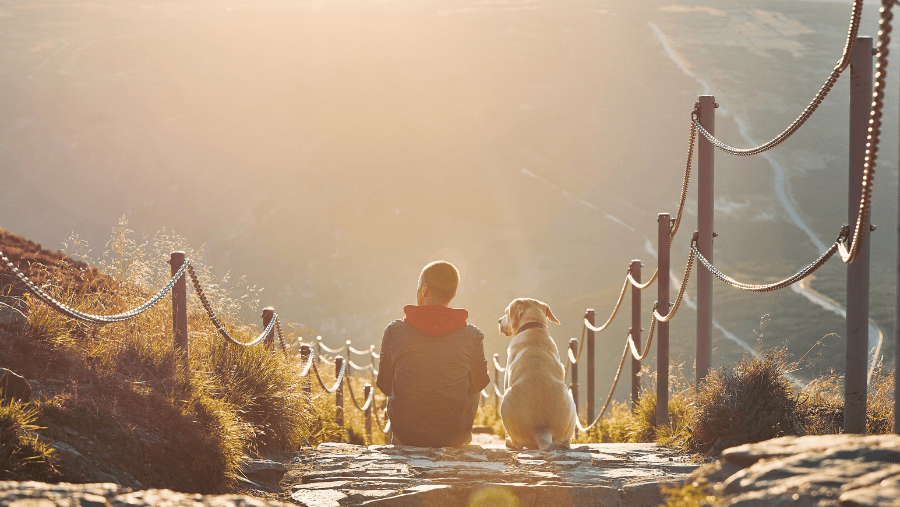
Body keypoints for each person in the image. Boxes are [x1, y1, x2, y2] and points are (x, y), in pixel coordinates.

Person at [376, 261, 490, 447]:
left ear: (424, 290)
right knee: (474, 380)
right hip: (454, 437)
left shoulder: (395, 331)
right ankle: (462, 438)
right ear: (453, 294)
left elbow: (385, 385)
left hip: (407, 437)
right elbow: (479, 384)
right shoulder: (472, 335)